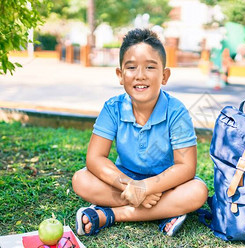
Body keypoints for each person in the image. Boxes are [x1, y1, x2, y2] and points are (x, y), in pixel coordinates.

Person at [72, 28, 209, 237]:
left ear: (164, 75)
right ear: (120, 75)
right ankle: (165, 211)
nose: (140, 75)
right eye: (131, 67)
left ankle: (109, 215)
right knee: (80, 179)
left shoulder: (176, 111)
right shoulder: (113, 108)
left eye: (150, 67)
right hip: (124, 181)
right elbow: (95, 158)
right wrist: (134, 188)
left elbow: (186, 167)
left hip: (167, 184)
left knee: (198, 192)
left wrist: (148, 187)